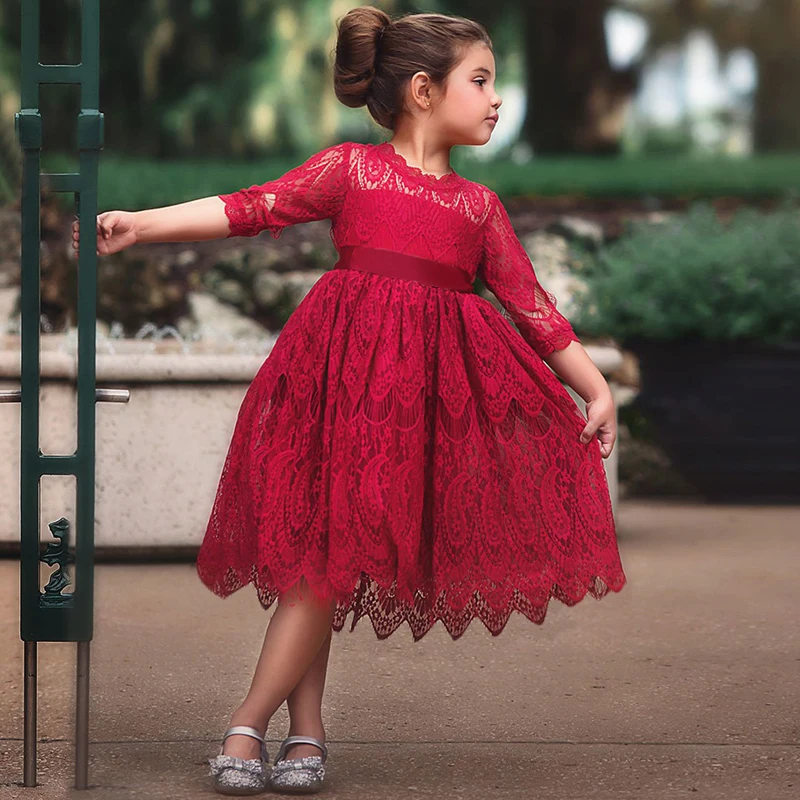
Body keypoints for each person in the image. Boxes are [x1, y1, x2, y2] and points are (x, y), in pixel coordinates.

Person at [73, 6, 628, 796]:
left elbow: (530, 305)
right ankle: (272, 725)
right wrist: (143, 225)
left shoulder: (478, 210)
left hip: (408, 407)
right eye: (481, 81)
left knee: (327, 558)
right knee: (321, 560)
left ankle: (284, 728)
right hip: (331, 382)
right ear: (424, 91)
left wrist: (594, 385)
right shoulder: (352, 171)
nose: (498, 99)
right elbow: (252, 207)